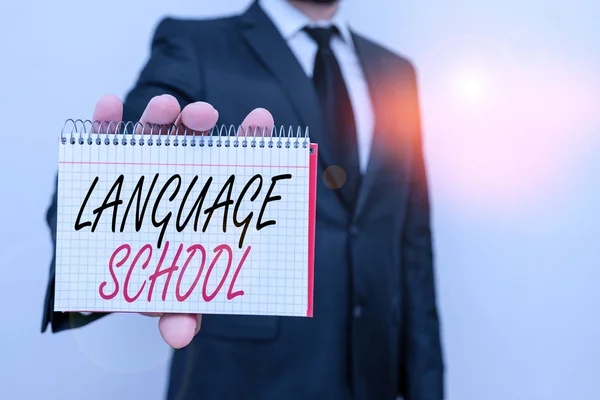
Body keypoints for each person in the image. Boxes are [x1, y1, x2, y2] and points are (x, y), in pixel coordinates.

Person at [41, 0, 444, 399]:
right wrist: (103, 250)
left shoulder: (397, 72)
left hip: (372, 379)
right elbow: (87, 194)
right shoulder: (195, 44)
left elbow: (413, 247)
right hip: (244, 380)